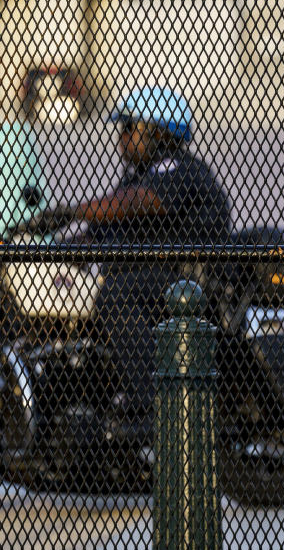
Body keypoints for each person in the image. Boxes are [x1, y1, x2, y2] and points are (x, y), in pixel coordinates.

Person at [66, 86, 232, 434]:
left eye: (129, 128)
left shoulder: (179, 168)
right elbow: (107, 225)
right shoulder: (138, 174)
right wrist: (59, 244)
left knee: (114, 296)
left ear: (158, 132)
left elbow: (138, 203)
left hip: (187, 280)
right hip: (157, 276)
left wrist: (72, 211)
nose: (121, 137)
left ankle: (151, 402)